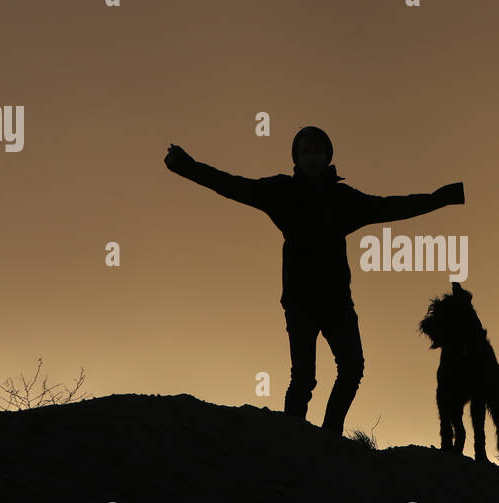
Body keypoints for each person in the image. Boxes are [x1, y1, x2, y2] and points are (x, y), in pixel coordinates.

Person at [164, 125, 465, 434]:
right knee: (304, 378)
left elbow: (390, 206)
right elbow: (231, 185)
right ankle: (292, 438)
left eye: (317, 151)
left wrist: (441, 198)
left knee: (352, 369)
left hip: (337, 302)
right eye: (305, 151)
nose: (311, 157)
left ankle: (330, 434)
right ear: (296, 157)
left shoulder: (344, 200)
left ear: (327, 157)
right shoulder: (281, 192)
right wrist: (188, 167)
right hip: (300, 301)